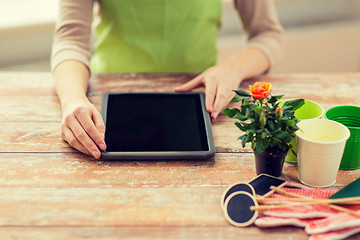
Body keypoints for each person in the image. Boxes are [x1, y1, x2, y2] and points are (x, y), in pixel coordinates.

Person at [51, 0, 283, 159]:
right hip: (107, 105)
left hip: (200, 105)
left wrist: (234, 68)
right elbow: (70, 39)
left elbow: (267, 34)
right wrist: (72, 99)